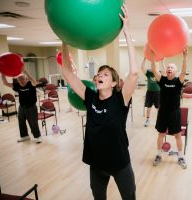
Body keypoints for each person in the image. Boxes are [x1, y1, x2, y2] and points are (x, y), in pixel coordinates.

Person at [60, 4, 138, 200]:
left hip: (120, 163)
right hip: (96, 164)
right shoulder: (90, 97)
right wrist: (65, 39)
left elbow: (134, 73)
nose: (99, 76)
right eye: (98, 74)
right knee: (98, 198)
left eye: (105, 74)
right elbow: (68, 73)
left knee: (129, 197)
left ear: (113, 82)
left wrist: (127, 32)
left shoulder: (121, 100)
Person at [150, 48, 188, 169]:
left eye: (172, 67)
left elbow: (184, 71)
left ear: (175, 71)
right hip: (163, 112)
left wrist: (185, 57)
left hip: (174, 113)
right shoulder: (162, 80)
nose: (169, 69)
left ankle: (181, 157)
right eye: (168, 67)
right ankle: (159, 154)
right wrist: (152, 56)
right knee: (161, 134)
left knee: (177, 135)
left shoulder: (178, 81)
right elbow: (154, 69)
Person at [1, 69, 42, 143]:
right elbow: (5, 83)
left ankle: (38, 136)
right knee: (21, 122)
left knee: (33, 123)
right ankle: (24, 136)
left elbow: (34, 82)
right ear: (18, 81)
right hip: (22, 107)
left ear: (26, 79)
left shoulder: (31, 84)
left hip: (31, 107)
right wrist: (2, 73)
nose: (21, 81)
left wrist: (26, 72)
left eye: (23, 79)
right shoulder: (17, 85)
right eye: (19, 80)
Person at [141, 57, 160, 127]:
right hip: (149, 92)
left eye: (155, 66)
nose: (153, 67)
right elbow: (142, 68)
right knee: (148, 107)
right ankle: (147, 120)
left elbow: (164, 72)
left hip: (158, 93)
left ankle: (159, 120)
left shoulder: (159, 74)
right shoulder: (148, 73)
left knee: (158, 108)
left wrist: (162, 62)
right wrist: (144, 59)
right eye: (152, 65)